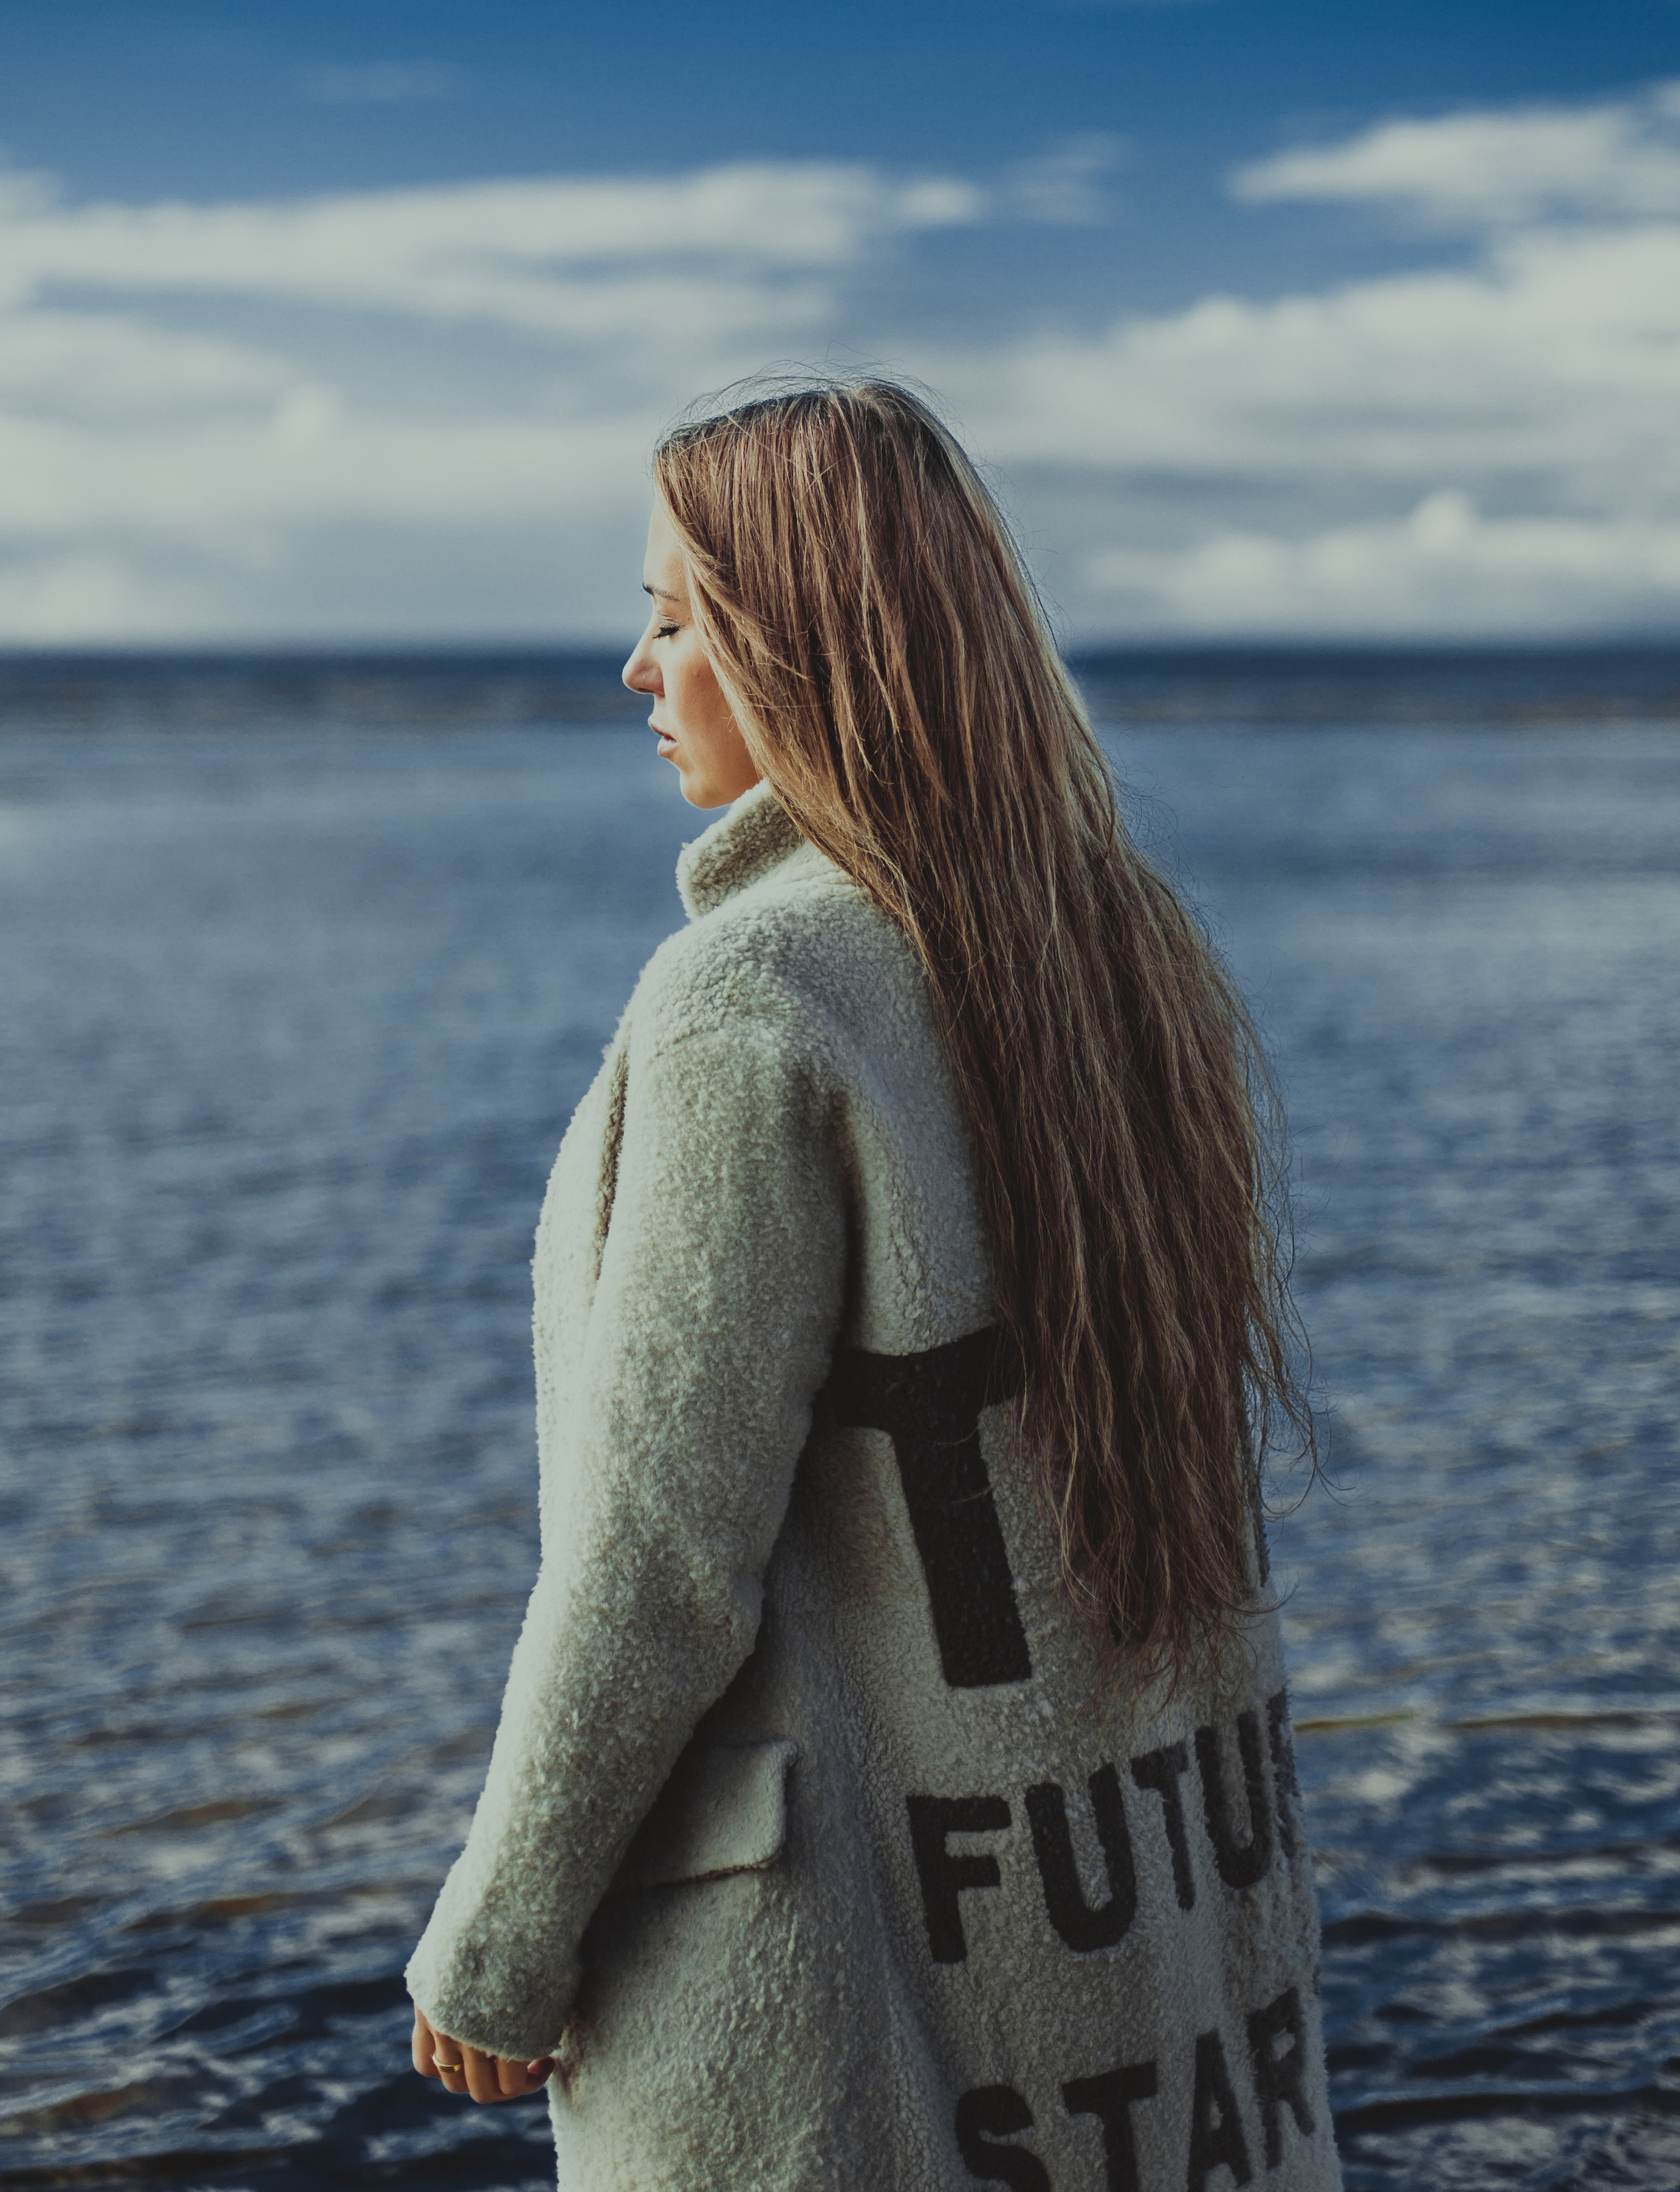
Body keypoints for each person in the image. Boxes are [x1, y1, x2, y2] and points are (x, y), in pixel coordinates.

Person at [405, 380, 1340, 2192]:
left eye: (675, 616)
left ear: (800, 643)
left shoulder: (748, 995)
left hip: (828, 2006)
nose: (636, 667)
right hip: (1147, 1961)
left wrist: (502, 1933)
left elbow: (660, 1553)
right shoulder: (1122, 948)